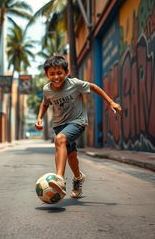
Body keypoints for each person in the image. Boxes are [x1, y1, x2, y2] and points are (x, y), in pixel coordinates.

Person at [35, 55, 122, 198]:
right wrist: (39, 118)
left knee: (60, 140)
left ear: (67, 72)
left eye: (59, 73)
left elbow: (93, 87)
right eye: (52, 74)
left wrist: (111, 102)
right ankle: (78, 178)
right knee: (71, 155)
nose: (56, 77)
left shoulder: (74, 84)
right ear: (46, 75)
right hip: (59, 124)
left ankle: (59, 179)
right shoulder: (47, 90)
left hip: (77, 121)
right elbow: (45, 104)